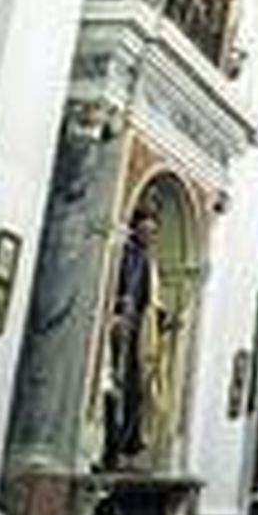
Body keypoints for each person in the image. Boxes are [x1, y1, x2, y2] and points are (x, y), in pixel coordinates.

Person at [104, 200, 162, 471]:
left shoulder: (148, 260)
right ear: (135, 229)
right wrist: (118, 310)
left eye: (153, 232)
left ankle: (131, 442)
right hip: (122, 325)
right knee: (116, 380)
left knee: (138, 388)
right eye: (145, 230)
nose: (149, 236)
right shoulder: (126, 254)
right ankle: (112, 444)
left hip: (141, 330)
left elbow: (151, 299)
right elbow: (119, 287)